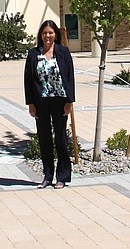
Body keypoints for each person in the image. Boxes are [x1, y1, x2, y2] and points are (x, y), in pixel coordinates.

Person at [24, 20, 75, 189]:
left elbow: (70, 77)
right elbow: (28, 80)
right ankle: (47, 176)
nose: (48, 36)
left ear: (56, 35)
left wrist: (70, 101)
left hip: (60, 100)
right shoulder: (33, 54)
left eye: (51, 33)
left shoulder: (63, 52)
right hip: (41, 102)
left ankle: (62, 176)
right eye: (45, 33)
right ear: (40, 35)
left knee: (60, 138)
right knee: (44, 139)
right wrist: (30, 103)